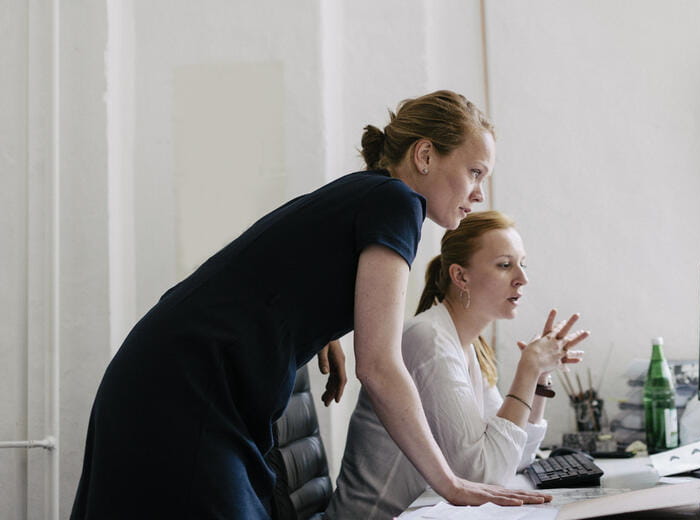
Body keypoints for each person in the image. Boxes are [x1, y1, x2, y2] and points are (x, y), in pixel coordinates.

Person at [70, 91, 581, 518]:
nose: (478, 193)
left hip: (175, 373)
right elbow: (380, 366)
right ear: (425, 156)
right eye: (474, 171)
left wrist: (324, 329)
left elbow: (281, 265)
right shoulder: (398, 202)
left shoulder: (371, 195)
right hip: (187, 387)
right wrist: (450, 482)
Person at [327, 211, 589, 519]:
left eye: (523, 263)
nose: (522, 278)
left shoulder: (467, 343)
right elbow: (482, 477)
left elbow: (514, 459)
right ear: (460, 276)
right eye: (505, 265)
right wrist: (527, 370)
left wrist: (539, 379)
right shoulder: (430, 341)